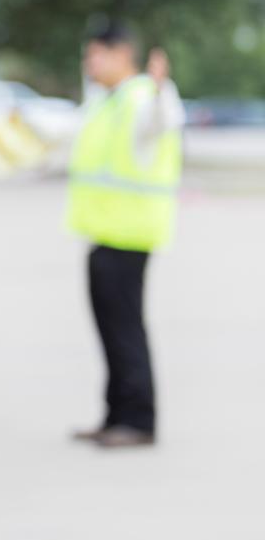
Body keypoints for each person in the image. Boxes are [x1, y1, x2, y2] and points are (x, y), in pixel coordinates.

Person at [68, 22, 183, 449]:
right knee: (109, 329)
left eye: (95, 54)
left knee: (125, 329)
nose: (89, 63)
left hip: (129, 236)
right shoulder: (107, 102)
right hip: (104, 233)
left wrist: (158, 90)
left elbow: (161, 122)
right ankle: (116, 413)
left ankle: (137, 420)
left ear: (121, 55)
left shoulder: (143, 97)